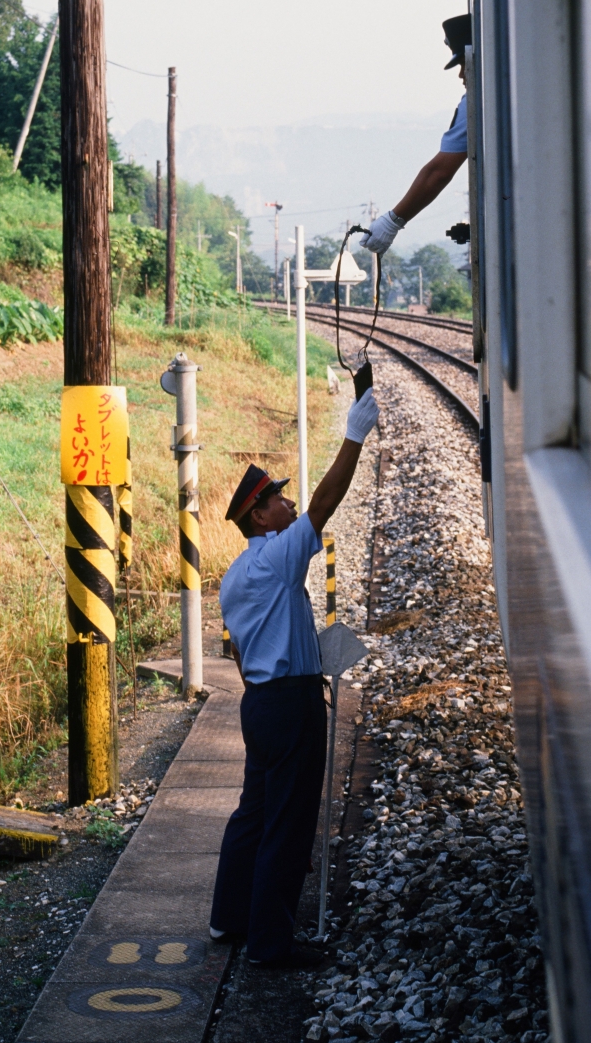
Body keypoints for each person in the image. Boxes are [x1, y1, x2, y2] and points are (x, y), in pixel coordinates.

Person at [209, 387, 379, 969]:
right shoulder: (278, 555)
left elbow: (238, 652)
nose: (289, 503)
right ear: (260, 516)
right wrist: (354, 434)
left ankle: (228, 918)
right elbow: (326, 503)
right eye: (278, 500)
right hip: (288, 706)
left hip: (260, 703)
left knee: (254, 812)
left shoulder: (236, 575)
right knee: (288, 822)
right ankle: (270, 944)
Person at [361, 14, 471, 256]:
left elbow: (439, 172)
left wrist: (393, 220)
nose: (461, 75)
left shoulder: (477, 102)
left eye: (464, 64)